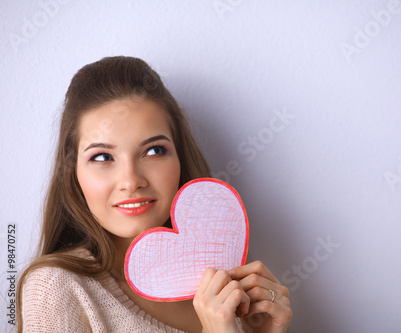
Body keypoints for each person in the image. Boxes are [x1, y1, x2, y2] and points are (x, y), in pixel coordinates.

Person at [16, 56, 292, 333]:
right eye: (102, 156)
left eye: (154, 151)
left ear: (180, 158)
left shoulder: (231, 284)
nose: (130, 181)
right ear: (73, 173)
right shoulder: (54, 288)